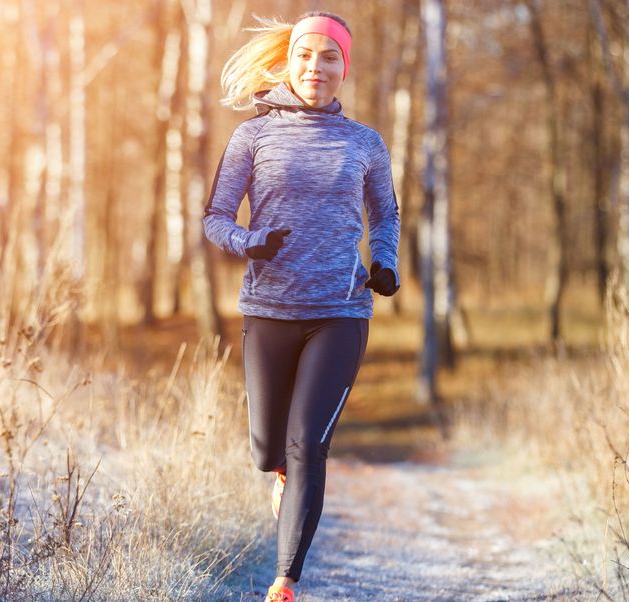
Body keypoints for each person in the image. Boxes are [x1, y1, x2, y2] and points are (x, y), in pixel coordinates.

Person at [202, 10, 401, 602]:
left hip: (339, 311)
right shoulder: (253, 135)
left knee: (308, 442)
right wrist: (247, 243)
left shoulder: (365, 142)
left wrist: (385, 263)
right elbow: (215, 217)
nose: (318, 67)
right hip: (268, 309)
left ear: (345, 67)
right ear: (289, 62)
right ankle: (282, 477)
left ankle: (286, 580)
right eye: (307, 56)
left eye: (330, 57)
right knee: (270, 449)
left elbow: (385, 214)